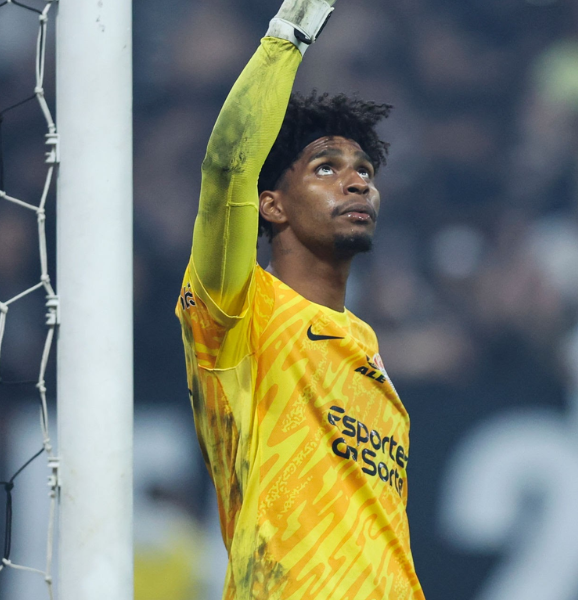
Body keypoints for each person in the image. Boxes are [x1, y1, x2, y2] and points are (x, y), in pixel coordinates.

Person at [176, 0, 425, 597]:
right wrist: (292, 31)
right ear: (272, 204)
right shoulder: (238, 309)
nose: (358, 179)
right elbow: (227, 170)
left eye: (364, 169)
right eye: (326, 167)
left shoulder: (366, 347)